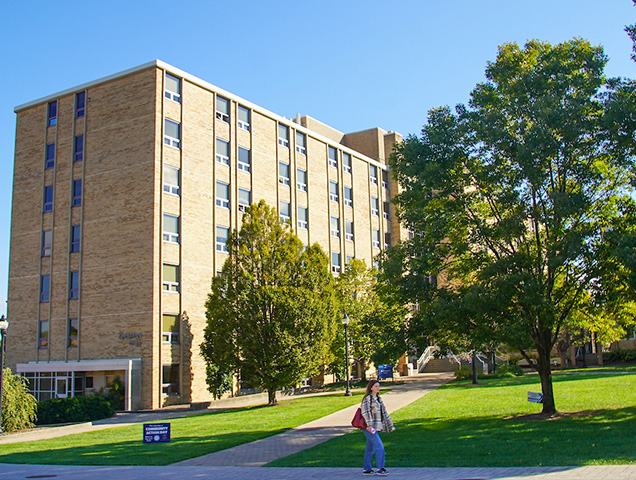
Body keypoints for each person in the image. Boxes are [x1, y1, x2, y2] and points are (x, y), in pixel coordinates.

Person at [360, 379, 395, 475]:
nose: (378, 388)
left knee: (370, 448)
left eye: (378, 386)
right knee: (379, 446)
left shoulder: (378, 399)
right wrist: (369, 425)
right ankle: (380, 468)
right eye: (376, 386)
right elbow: (365, 412)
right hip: (369, 428)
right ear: (371, 388)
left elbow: (384, 413)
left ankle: (367, 468)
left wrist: (391, 425)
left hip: (375, 426)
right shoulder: (368, 399)